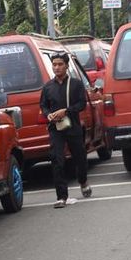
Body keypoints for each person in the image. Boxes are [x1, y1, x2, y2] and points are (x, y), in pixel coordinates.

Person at [39, 52, 91, 209]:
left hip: (73, 126)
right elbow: (43, 105)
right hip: (56, 129)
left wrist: (66, 111)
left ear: (67, 66)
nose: (57, 67)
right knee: (56, 159)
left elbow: (82, 104)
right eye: (54, 64)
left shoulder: (76, 84)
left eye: (60, 64)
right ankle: (61, 196)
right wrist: (49, 115)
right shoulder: (47, 87)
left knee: (80, 157)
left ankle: (83, 181)